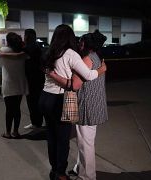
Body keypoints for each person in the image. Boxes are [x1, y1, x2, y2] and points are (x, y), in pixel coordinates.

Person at [39, 24, 106, 180]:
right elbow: (80, 81)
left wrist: (52, 75)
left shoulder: (49, 52)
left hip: (45, 98)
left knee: (52, 137)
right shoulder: (71, 54)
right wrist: (102, 70)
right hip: (60, 99)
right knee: (62, 139)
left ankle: (55, 169)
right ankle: (60, 174)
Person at [0, 32, 29, 139]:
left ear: (8, 41)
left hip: (8, 84)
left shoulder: (3, 51)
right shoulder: (22, 52)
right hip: (19, 83)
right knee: (17, 108)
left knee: (9, 109)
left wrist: (0, 52)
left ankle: (7, 132)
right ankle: (15, 132)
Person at [23, 29, 45, 129]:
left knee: (33, 102)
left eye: (25, 35)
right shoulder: (36, 46)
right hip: (38, 79)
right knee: (36, 102)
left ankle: (36, 123)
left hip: (33, 80)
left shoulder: (30, 47)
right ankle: (37, 122)